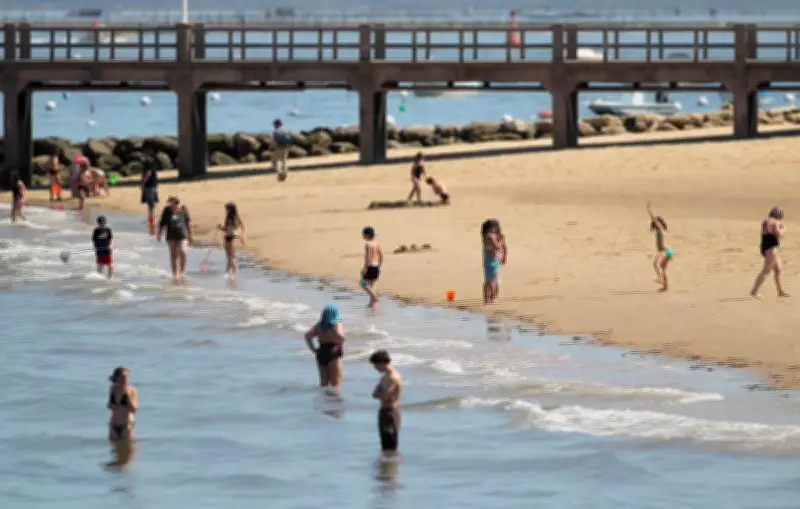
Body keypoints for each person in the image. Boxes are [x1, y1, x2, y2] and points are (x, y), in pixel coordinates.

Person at [304, 304, 346, 392]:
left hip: (321, 351)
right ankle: (334, 405)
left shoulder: (319, 325)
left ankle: (323, 403)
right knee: (335, 385)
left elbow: (307, 335)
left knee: (324, 384)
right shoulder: (337, 323)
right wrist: (339, 343)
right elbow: (340, 336)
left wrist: (313, 349)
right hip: (334, 351)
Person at [751, 206, 790, 298]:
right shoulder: (775, 222)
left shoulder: (766, 221)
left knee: (778, 269)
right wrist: (783, 229)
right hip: (771, 249)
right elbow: (778, 233)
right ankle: (754, 291)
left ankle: (780, 291)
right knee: (766, 270)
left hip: (766, 247)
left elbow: (766, 231)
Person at [370, 350, 402, 455]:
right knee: (385, 445)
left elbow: (383, 396)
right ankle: (387, 469)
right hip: (385, 412)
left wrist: (379, 393)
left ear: (383, 363)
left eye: (376, 365)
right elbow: (374, 394)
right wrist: (379, 393)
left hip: (390, 412)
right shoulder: (384, 377)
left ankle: (391, 468)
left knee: (390, 446)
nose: (375, 368)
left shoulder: (392, 377)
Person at [157, 196, 194, 280]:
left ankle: (182, 272)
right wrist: (159, 233)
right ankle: (175, 274)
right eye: (169, 203)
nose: (170, 205)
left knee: (183, 251)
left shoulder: (183, 210)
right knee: (173, 254)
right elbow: (162, 223)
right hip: (171, 236)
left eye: (172, 203)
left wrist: (191, 234)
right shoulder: (166, 211)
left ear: (176, 203)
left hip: (182, 235)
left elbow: (189, 223)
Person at [647, 202, 673, 292]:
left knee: (655, 263)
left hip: (664, 251)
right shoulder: (663, 231)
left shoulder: (660, 229)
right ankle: (665, 287)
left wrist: (649, 210)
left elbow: (654, 219)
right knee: (664, 269)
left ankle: (659, 278)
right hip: (668, 251)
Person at [107, 366, 138, 442]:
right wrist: (112, 405)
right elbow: (111, 406)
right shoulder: (113, 389)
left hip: (127, 425)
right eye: (123, 376)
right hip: (114, 425)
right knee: (115, 451)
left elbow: (134, 409)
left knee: (128, 452)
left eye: (127, 376)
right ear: (117, 378)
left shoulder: (132, 390)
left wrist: (127, 395)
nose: (125, 378)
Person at [481, 219, 508, 304]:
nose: (495, 229)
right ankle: (491, 298)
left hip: (490, 261)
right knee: (492, 281)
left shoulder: (488, 236)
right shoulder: (490, 236)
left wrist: (504, 257)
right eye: (493, 227)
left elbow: (505, 248)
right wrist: (502, 241)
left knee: (489, 280)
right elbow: (497, 246)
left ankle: (487, 298)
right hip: (492, 262)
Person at [217, 202, 247, 277]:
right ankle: (233, 273)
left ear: (231, 210)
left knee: (231, 256)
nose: (226, 211)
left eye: (227, 209)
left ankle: (227, 271)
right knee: (229, 256)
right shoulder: (227, 218)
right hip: (226, 237)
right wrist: (220, 227)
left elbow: (244, 228)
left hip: (234, 237)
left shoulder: (237, 218)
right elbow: (225, 229)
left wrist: (243, 236)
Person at [361, 226, 384, 309]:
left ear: (367, 235)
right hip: (376, 265)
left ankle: (376, 298)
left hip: (370, 265)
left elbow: (368, 257)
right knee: (372, 285)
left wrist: (365, 268)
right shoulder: (376, 243)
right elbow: (381, 255)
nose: (363, 236)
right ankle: (372, 305)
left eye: (363, 235)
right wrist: (379, 265)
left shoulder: (368, 244)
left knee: (364, 284)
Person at [140, 154, 159, 235]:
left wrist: (143, 183)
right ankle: (151, 219)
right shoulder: (152, 165)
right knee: (150, 204)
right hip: (152, 186)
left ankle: (152, 219)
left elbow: (148, 174)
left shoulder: (149, 166)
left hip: (150, 186)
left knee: (151, 204)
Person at [92, 215, 114, 279]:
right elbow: (94, 239)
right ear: (98, 223)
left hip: (107, 249)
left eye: (103, 223)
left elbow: (111, 238)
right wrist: (95, 247)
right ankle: (99, 278)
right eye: (100, 223)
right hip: (99, 250)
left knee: (109, 264)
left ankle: (110, 277)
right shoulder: (96, 230)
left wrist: (110, 245)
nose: (102, 224)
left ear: (105, 223)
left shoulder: (108, 229)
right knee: (100, 265)